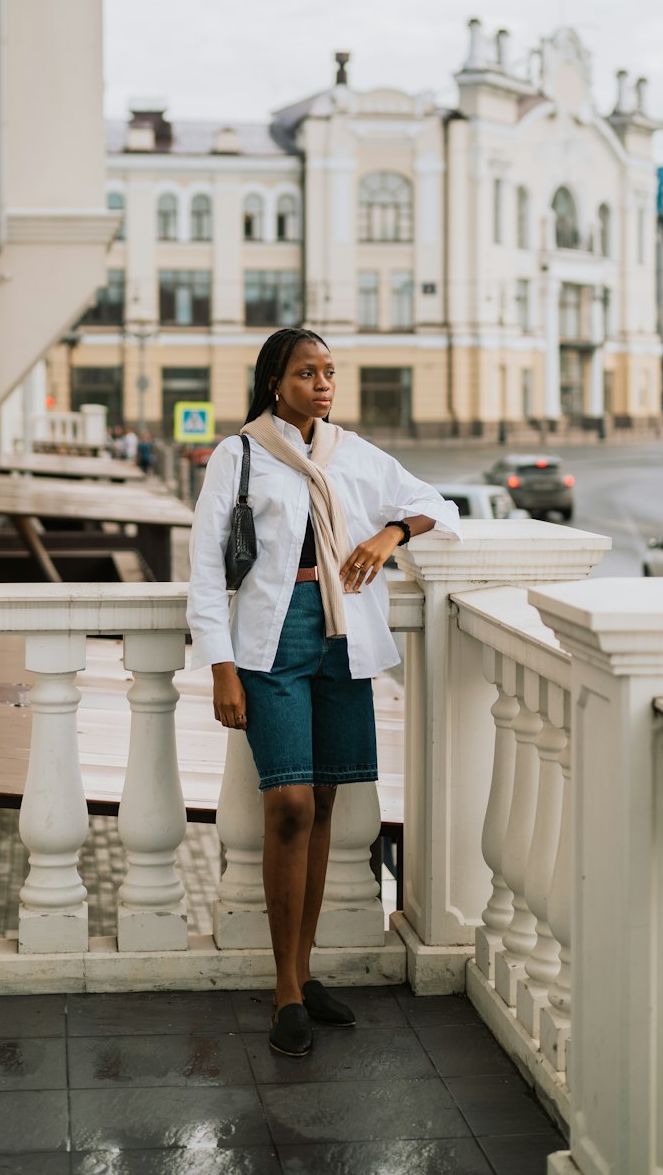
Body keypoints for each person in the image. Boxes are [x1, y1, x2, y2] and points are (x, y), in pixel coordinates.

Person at [186, 328, 460, 1057]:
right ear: (276, 381)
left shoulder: (355, 455)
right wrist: (220, 665)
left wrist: (390, 534)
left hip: (345, 641)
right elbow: (207, 571)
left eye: (330, 372)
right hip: (271, 645)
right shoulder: (237, 455)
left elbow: (440, 505)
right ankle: (283, 987)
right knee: (290, 805)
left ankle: (306, 978)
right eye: (307, 372)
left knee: (329, 802)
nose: (323, 383)